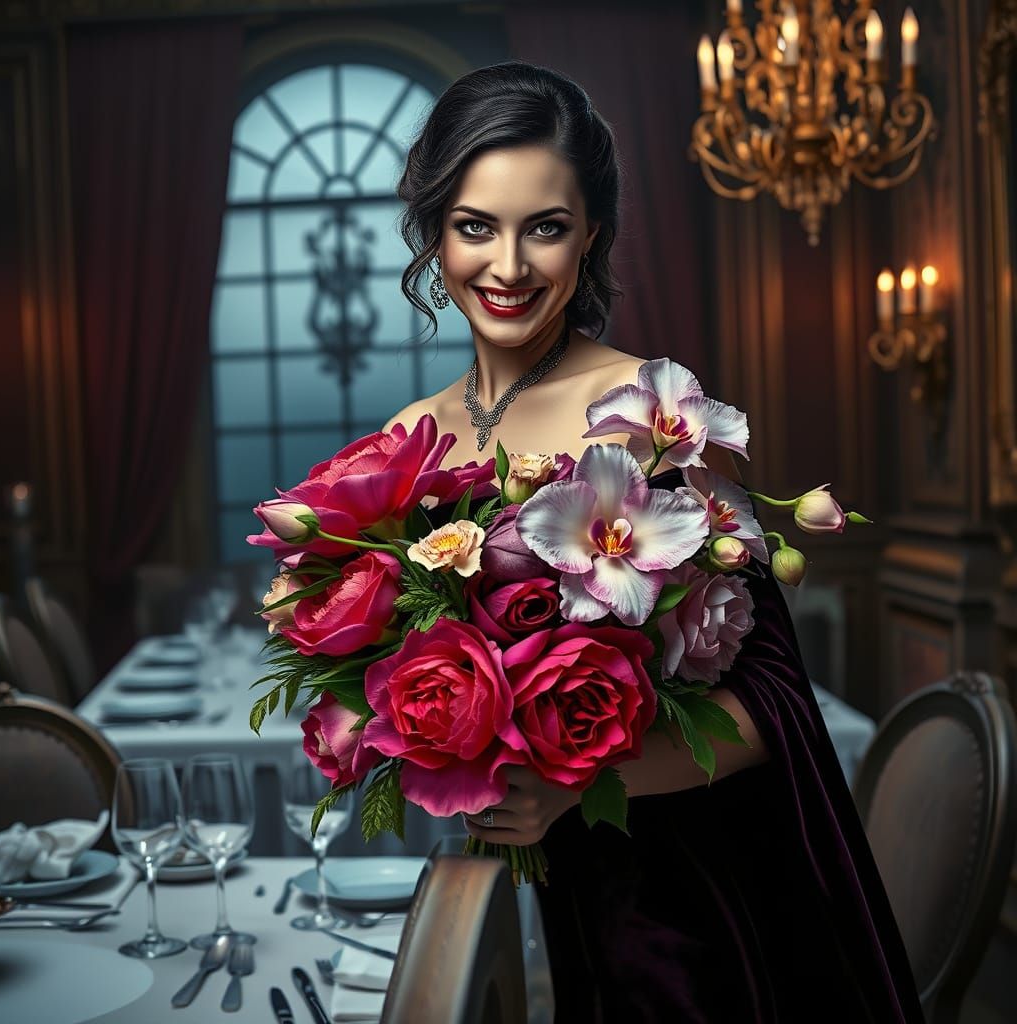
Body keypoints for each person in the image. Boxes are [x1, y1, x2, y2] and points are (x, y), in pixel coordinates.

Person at [381, 61, 923, 1023]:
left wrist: (568, 790)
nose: (508, 266)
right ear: (435, 231)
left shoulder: (649, 416)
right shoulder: (410, 438)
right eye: (476, 226)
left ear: (590, 234)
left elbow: (771, 706)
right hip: (525, 890)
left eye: (544, 227)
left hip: (678, 906)